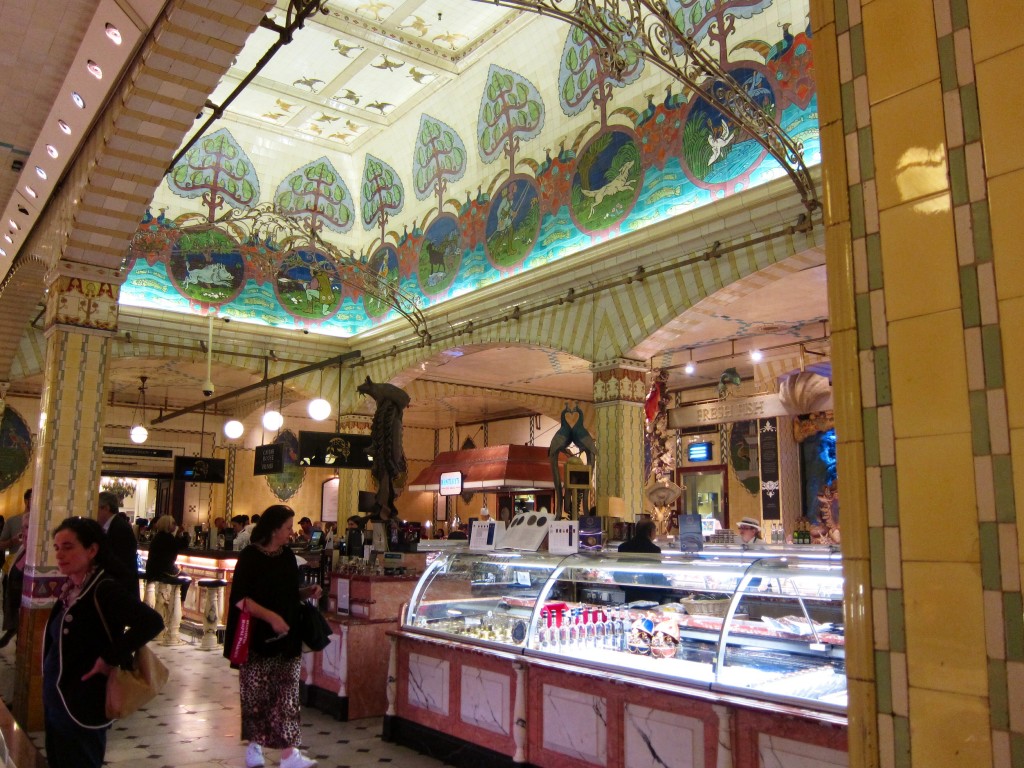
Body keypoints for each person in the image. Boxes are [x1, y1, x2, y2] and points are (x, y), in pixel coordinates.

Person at [43, 517, 164, 768]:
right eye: (56, 548)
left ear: (92, 550)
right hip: (58, 699)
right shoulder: (71, 588)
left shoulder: (104, 588)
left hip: (83, 702)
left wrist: (110, 657)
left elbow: (151, 621)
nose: (60, 554)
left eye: (68, 547)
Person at [224, 504, 322, 768]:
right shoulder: (250, 557)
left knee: (287, 695)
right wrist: (271, 617)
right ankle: (254, 748)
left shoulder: (287, 556)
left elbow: (290, 593)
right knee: (257, 693)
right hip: (258, 639)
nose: (292, 532)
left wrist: (307, 592)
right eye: (288, 527)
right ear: (274, 529)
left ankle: (290, 753)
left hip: (287, 637)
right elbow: (241, 600)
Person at [0, 488, 31, 648]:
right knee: (9, 602)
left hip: (27, 572)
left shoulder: (39, 521)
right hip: (12, 567)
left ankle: (18, 636)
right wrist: (12, 541)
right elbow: (1, 544)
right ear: (27, 501)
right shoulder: (13, 521)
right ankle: (11, 628)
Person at [98, 491, 141, 598]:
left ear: (106, 508)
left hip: (122, 588)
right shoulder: (112, 526)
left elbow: (121, 562)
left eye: (97, 508)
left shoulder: (120, 528)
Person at [145, 515, 192, 603]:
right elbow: (182, 545)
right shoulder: (168, 537)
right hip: (164, 570)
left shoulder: (159, 536)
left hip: (152, 569)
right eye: (173, 523)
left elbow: (174, 545)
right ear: (168, 525)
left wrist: (178, 534)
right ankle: (178, 604)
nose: (175, 525)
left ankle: (171, 602)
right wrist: (185, 533)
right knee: (187, 578)